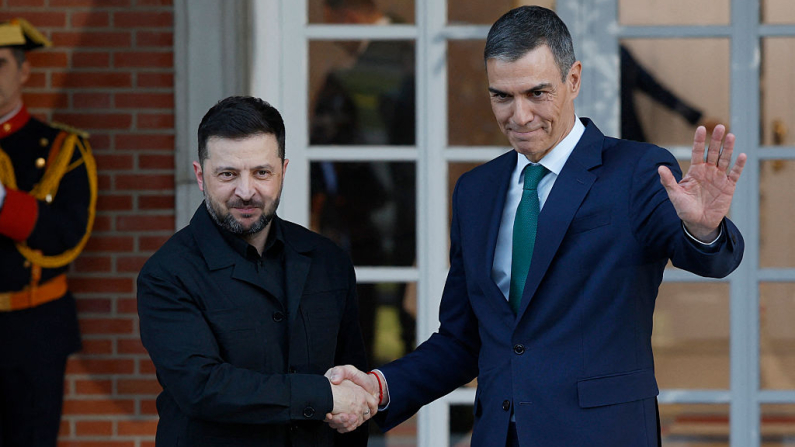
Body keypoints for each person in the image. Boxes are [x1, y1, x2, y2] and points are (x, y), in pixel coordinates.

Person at [326, 6, 746, 447]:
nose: (519, 116)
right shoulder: (476, 191)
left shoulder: (636, 172)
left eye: (536, 94)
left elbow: (709, 261)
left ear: (574, 80)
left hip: (604, 435)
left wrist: (703, 230)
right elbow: (462, 340)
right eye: (502, 97)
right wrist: (380, 386)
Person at [137, 96, 376, 446]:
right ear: (201, 176)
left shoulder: (328, 261)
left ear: (283, 171)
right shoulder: (167, 274)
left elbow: (351, 386)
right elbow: (202, 387)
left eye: (261, 172)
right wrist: (319, 395)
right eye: (228, 174)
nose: (246, 191)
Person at [0, 18, 97, 447]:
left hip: (31, 328)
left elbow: (67, 235)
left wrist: (4, 203)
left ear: (24, 71)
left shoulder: (60, 148)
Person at [310, 0, 417, 365]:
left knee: (380, 312)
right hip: (381, 209)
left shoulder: (386, 59)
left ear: (349, 17)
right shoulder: (403, 47)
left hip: (380, 210)